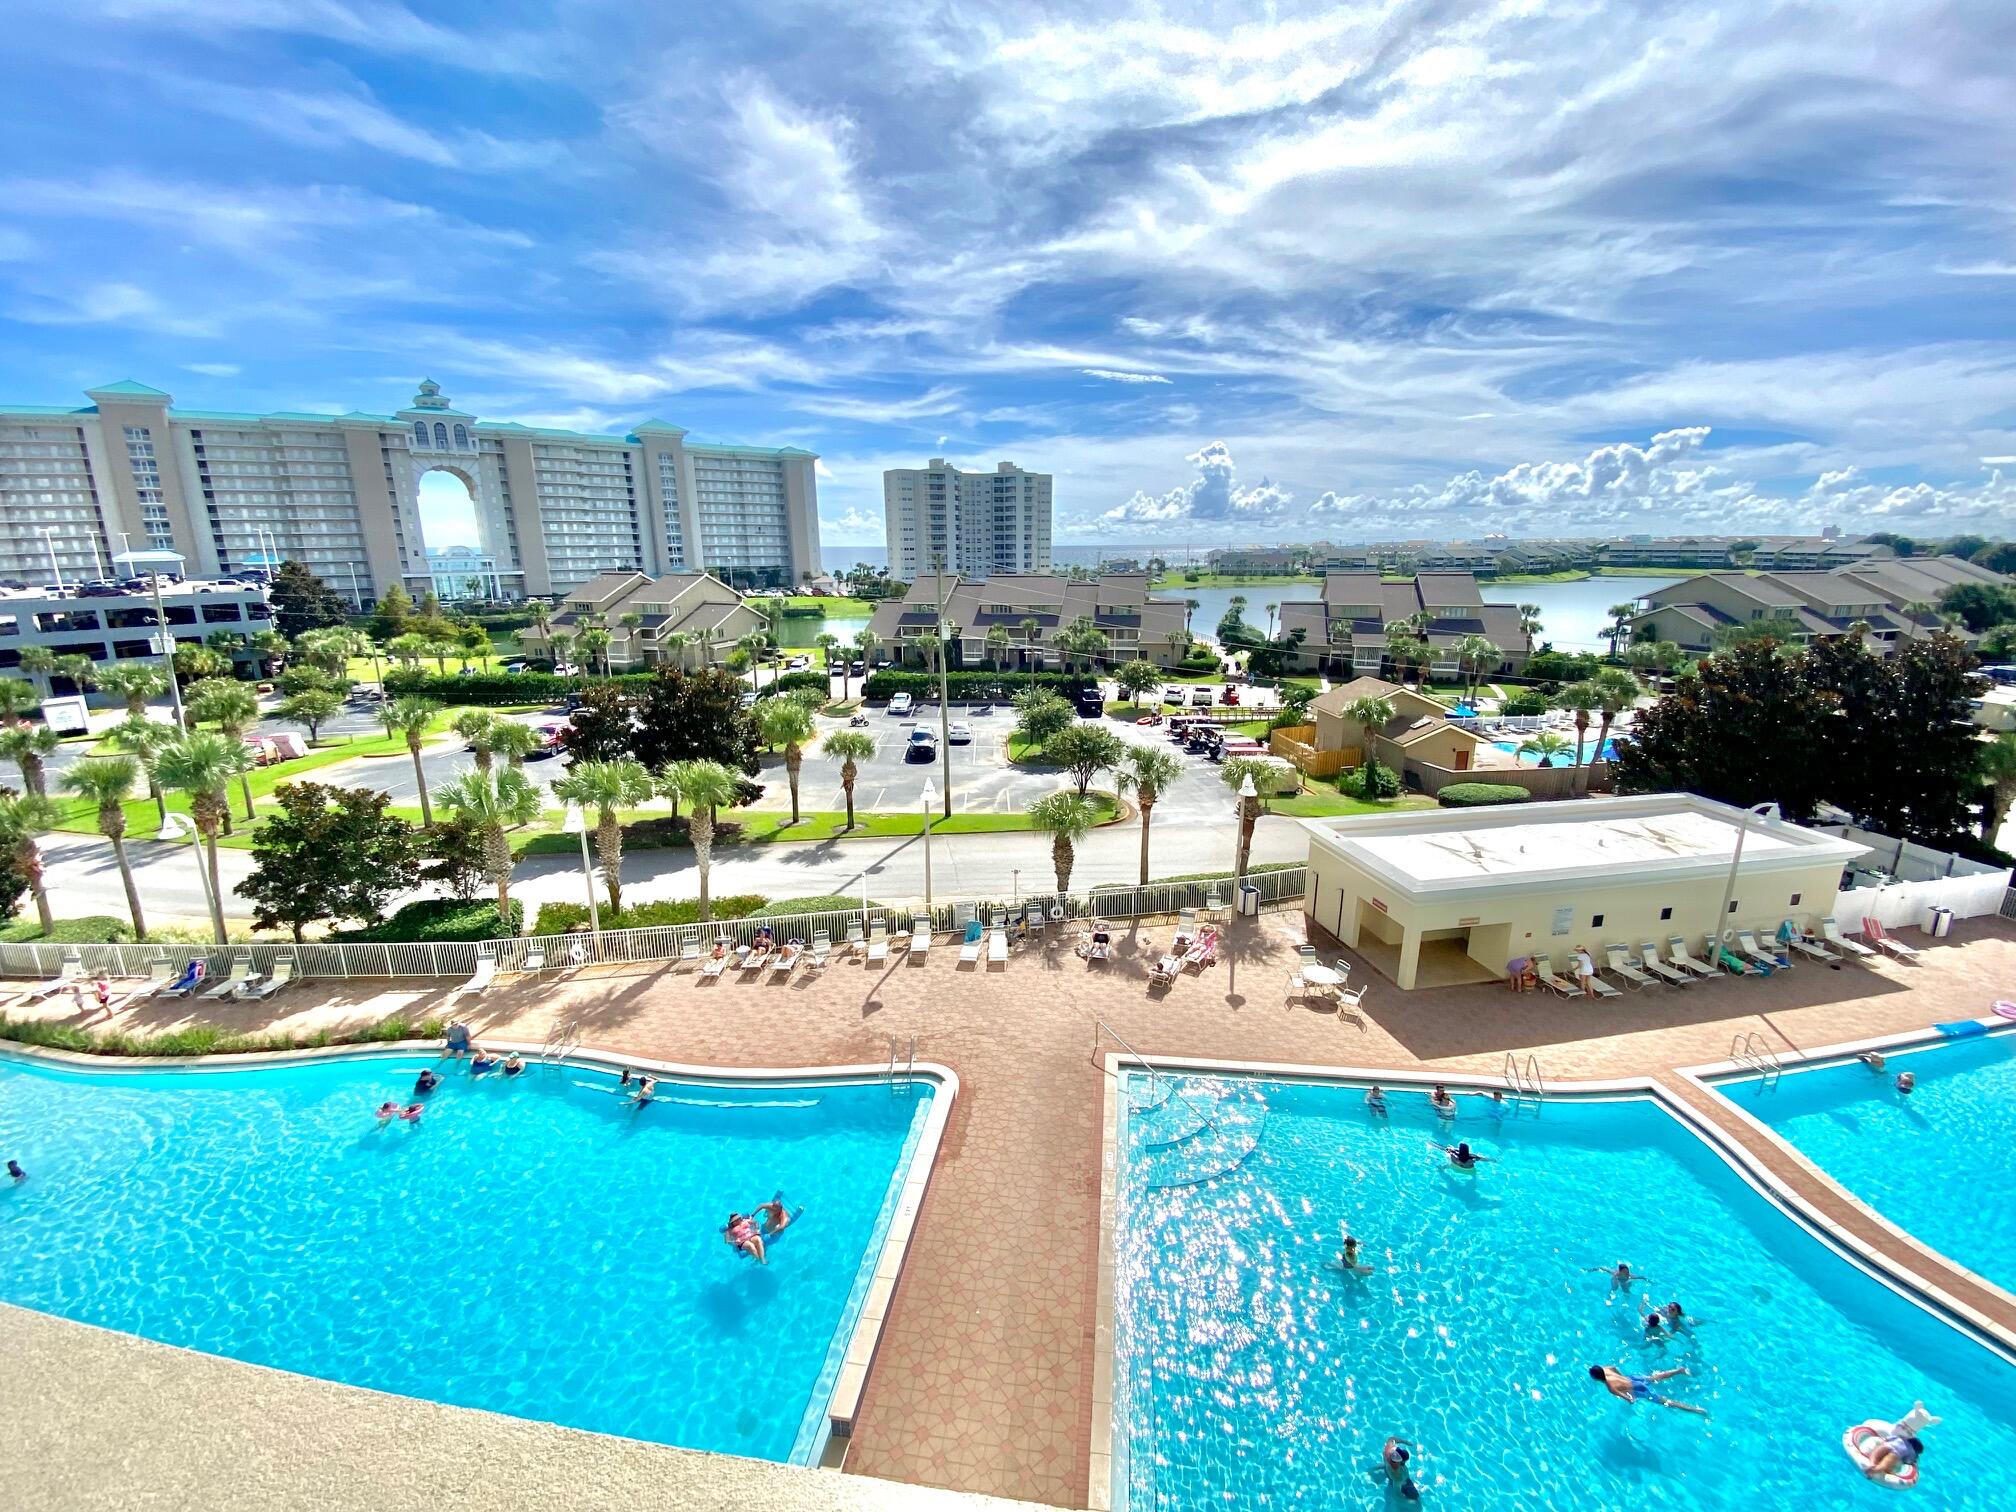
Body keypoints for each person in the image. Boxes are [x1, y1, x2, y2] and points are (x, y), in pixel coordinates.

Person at [1588, 1364, 1707, 1416]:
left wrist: (1630, 1397)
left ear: (1596, 1378)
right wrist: (1623, 1377)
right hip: (1633, 1378)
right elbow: (1614, 1367)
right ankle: (1679, 1370)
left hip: (1638, 1389)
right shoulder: (1606, 1369)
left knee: (1665, 1401)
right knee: (1656, 1377)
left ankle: (1696, 1410)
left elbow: (1629, 1399)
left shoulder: (1610, 1387)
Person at [1863, 1403, 1939, 1481]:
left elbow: (1888, 1439)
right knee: (1887, 1462)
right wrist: (1911, 1462)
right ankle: (1878, 1469)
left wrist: (1884, 1441)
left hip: (1889, 1445)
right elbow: (1909, 1461)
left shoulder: (1900, 1438)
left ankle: (1872, 1464)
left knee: (1878, 1451)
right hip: (1897, 1453)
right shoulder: (1912, 1453)